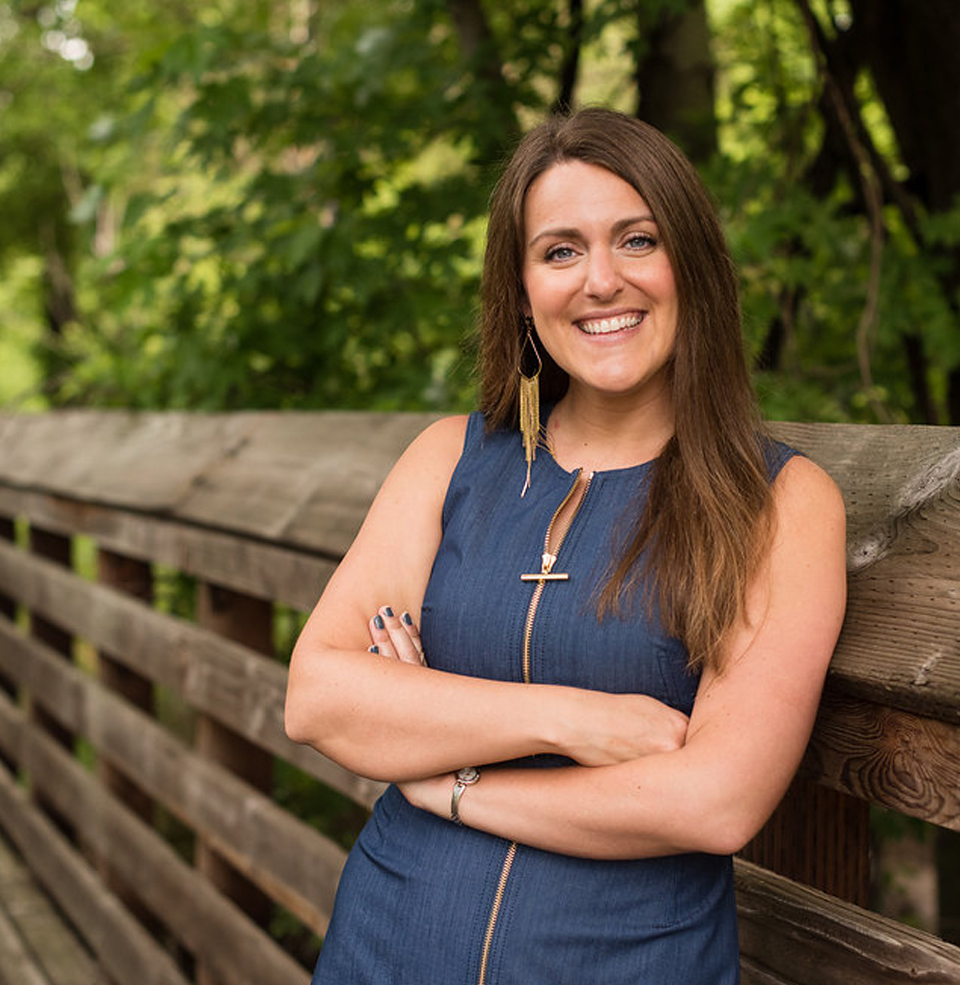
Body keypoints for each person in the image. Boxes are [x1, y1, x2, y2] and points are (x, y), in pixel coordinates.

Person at [284, 107, 847, 985]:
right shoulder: (450, 459)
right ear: (520, 288)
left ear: (691, 266)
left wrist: (450, 777)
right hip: (382, 948)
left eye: (637, 240)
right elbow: (318, 694)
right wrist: (573, 718)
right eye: (559, 250)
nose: (600, 280)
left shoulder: (778, 503)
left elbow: (716, 800)